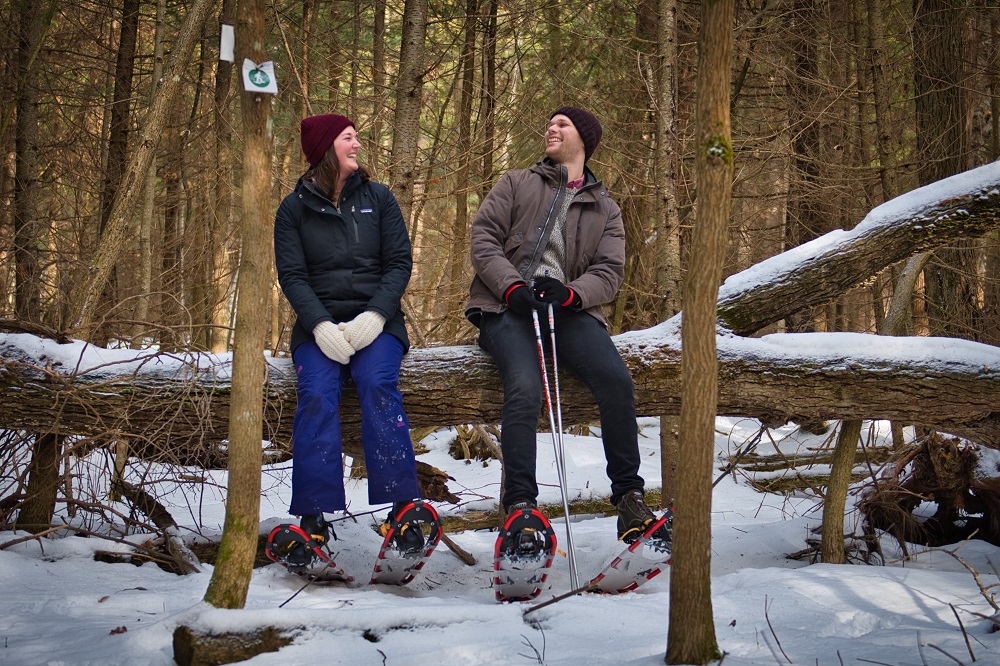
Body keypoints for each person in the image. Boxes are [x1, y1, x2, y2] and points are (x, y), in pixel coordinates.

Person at [466, 106, 669, 544]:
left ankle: (630, 500)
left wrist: (572, 293)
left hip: (569, 311)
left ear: (585, 139)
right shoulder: (517, 182)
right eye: (549, 122)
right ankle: (521, 508)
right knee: (524, 386)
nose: (550, 127)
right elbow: (483, 239)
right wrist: (512, 289)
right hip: (507, 309)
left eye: (563, 124)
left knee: (616, 382)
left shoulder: (605, 207)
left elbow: (610, 271)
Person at [273, 113, 424, 562]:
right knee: (317, 393)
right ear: (326, 148)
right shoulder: (293, 209)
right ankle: (314, 520)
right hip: (316, 327)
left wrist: (376, 316)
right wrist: (319, 324)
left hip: (376, 325)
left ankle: (403, 508)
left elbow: (399, 262)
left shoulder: (378, 198)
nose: (357, 144)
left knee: (378, 385)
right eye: (348, 138)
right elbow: (293, 276)